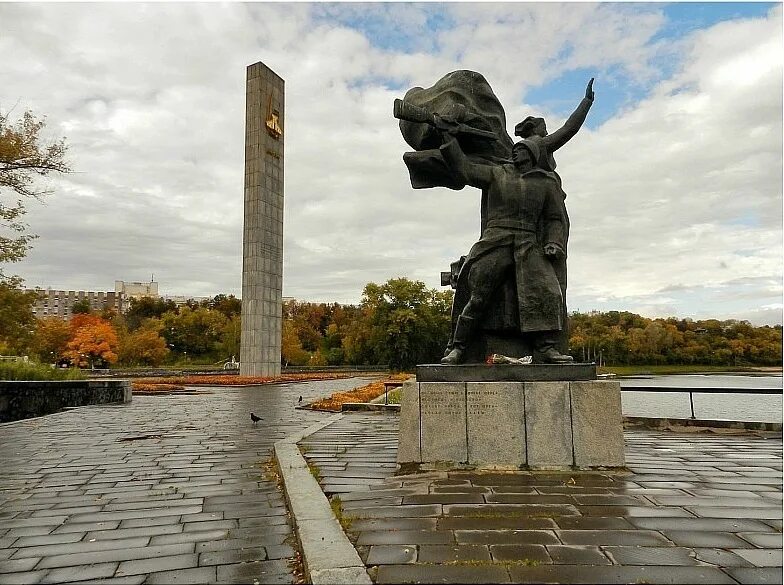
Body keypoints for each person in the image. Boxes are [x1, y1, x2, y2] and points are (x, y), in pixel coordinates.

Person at [438, 133, 574, 364]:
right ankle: (458, 347)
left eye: (521, 149)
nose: (515, 151)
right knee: (478, 296)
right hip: (496, 239)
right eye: (515, 149)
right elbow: (464, 168)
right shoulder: (497, 173)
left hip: (528, 244)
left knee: (547, 291)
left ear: (532, 155)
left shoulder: (545, 183)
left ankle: (546, 347)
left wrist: (554, 242)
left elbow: (553, 218)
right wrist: (449, 137)